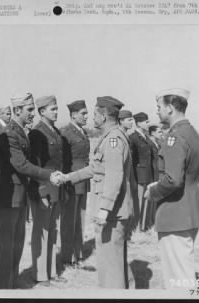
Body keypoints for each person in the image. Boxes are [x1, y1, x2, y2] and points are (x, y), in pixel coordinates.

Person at [61, 96, 137, 288]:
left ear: (103, 116)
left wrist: (104, 208)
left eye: (95, 114)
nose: (92, 118)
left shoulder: (113, 140)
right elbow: (95, 168)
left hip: (112, 213)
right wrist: (67, 177)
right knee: (115, 263)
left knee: (110, 268)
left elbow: (114, 176)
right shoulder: (111, 137)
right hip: (114, 212)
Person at [0, 92, 63, 289]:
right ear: (17, 110)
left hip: (20, 195)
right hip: (9, 197)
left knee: (17, 244)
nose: (33, 113)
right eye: (29, 109)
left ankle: (11, 284)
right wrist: (48, 175)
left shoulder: (20, 131)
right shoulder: (8, 133)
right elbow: (21, 165)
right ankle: (1, 288)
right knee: (7, 245)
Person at [145, 88, 199, 289]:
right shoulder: (192, 133)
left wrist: (153, 192)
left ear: (170, 108)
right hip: (190, 211)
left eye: (159, 107)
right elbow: (192, 174)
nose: (157, 112)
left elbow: (173, 180)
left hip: (175, 215)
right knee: (183, 273)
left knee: (178, 281)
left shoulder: (175, 137)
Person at [28, 95, 66, 286]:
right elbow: (35, 166)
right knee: (41, 231)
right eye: (53, 109)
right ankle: (40, 274)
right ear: (42, 111)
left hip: (56, 189)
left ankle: (51, 271)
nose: (56, 112)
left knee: (52, 230)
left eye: (57, 108)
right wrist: (42, 192)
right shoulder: (36, 133)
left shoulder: (55, 132)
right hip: (43, 189)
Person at [59, 100, 90, 267]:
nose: (87, 116)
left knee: (80, 219)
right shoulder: (66, 133)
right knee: (69, 220)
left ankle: (77, 253)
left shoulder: (82, 132)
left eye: (86, 113)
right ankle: (67, 256)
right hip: (71, 181)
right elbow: (64, 161)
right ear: (73, 115)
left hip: (83, 180)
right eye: (83, 113)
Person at [129, 112, 154, 231]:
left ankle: (143, 227)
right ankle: (135, 228)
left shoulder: (146, 137)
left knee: (145, 201)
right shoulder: (133, 137)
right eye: (146, 122)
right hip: (139, 175)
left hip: (147, 174)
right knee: (138, 202)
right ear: (138, 123)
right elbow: (131, 159)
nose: (148, 124)